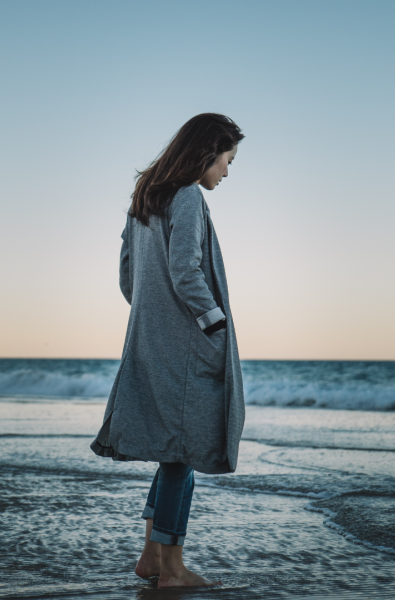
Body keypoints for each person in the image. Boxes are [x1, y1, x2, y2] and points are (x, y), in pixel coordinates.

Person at [91, 113, 245, 588]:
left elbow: (126, 277)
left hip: (149, 341)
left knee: (173, 453)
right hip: (187, 344)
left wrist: (153, 314)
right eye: (227, 159)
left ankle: (151, 558)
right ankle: (173, 568)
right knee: (183, 451)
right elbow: (185, 271)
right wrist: (212, 322)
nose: (227, 170)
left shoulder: (144, 201)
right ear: (206, 152)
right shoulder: (188, 196)